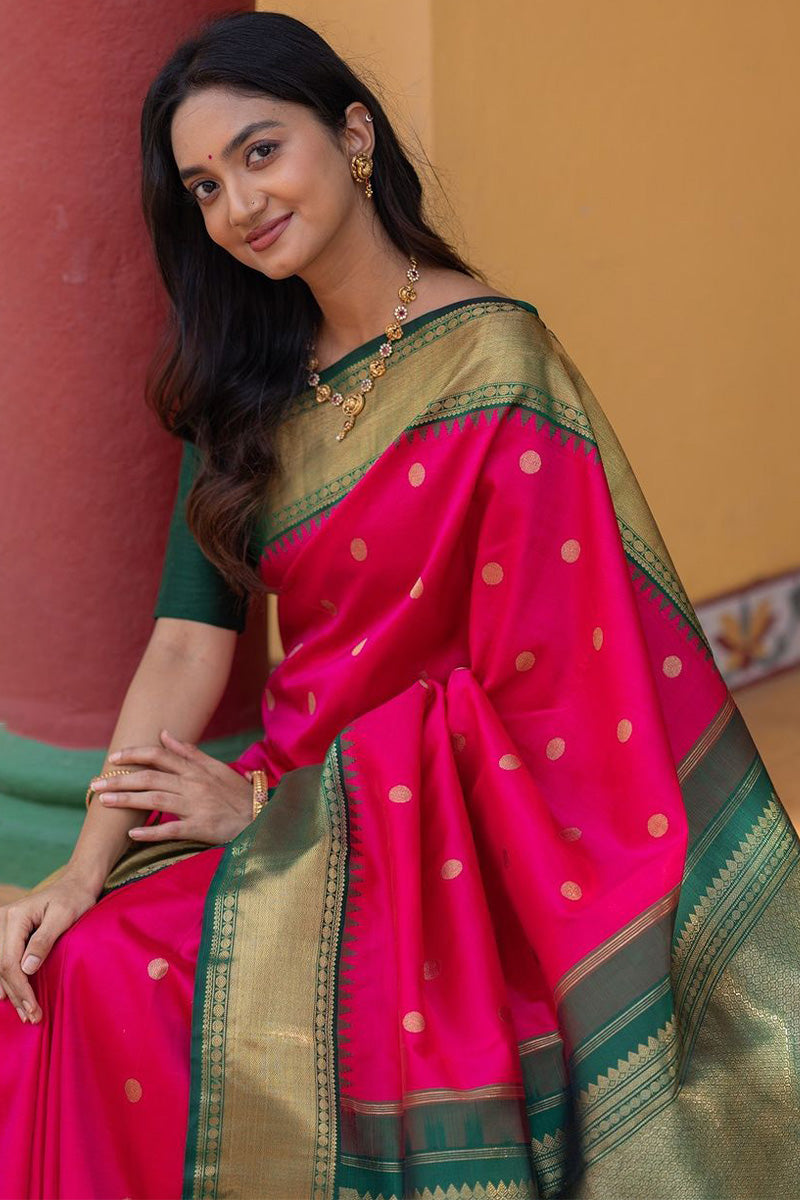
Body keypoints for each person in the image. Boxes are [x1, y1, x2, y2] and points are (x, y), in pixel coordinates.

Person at [1, 9, 797, 1200]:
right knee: (66, 960)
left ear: (353, 135)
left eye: (260, 152)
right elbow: (182, 641)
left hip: (434, 848)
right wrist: (81, 864)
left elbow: (553, 707)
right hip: (298, 806)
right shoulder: (244, 381)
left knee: (125, 979)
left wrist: (272, 806)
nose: (237, 206)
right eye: (205, 187)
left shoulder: (495, 370)